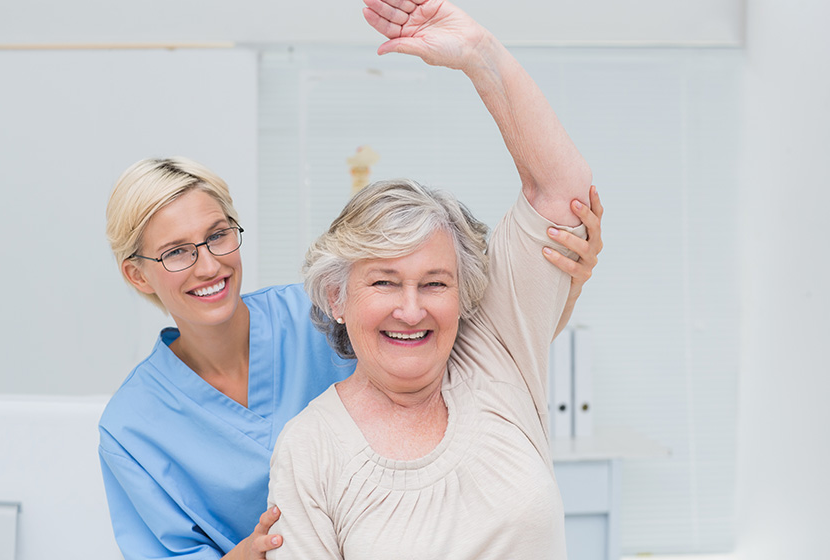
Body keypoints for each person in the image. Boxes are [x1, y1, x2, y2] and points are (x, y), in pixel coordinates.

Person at [99, 156, 600, 553]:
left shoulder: (326, 309)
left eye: (217, 235)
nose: (208, 264)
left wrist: (563, 277)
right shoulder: (132, 427)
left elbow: (475, 330)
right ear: (138, 274)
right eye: (176, 251)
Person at [263, 0, 595, 558]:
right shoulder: (309, 448)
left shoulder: (497, 353)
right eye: (384, 283)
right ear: (336, 297)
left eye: (435, 283)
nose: (411, 309)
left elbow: (561, 195)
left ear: (464, 294)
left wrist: (479, 55)